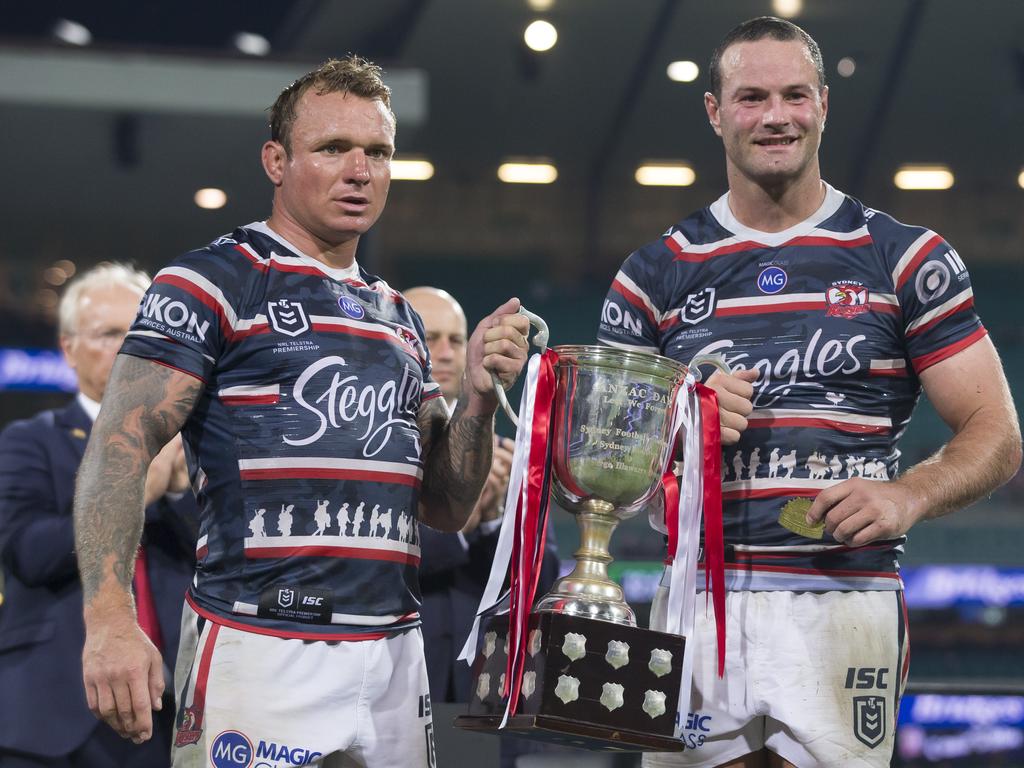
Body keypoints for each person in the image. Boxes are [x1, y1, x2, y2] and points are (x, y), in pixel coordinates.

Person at [71, 56, 530, 768]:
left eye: (377, 152)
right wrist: (108, 620)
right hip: (259, 645)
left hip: (391, 651)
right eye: (332, 149)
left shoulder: (399, 316)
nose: (359, 170)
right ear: (276, 160)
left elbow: (444, 506)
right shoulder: (211, 281)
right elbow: (117, 448)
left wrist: (474, 397)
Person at [597, 16, 1021, 768]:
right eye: (752, 96)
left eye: (795, 95)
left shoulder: (903, 257)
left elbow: (996, 429)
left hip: (844, 600)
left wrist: (909, 495)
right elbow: (599, 466)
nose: (775, 116)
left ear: (823, 104)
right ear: (715, 111)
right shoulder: (653, 273)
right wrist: (678, 417)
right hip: (695, 605)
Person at [0, 263, 196, 767]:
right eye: (110, 333)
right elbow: (29, 553)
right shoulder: (30, 441)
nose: (127, 347)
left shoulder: (196, 448)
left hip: (175, 709)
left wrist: (176, 495)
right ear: (68, 348)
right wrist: (139, 490)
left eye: (139, 331)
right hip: (53, 715)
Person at [404, 286, 562, 707]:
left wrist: (497, 519)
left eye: (455, 339)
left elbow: (543, 581)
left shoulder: (506, 454)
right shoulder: (380, 446)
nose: (445, 352)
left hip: (488, 689)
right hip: (403, 678)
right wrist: (462, 518)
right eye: (427, 336)